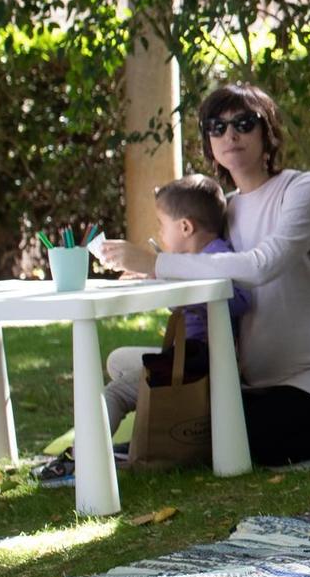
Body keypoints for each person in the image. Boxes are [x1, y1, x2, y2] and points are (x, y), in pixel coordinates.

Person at [98, 85, 310, 465]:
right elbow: (210, 271)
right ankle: (137, 444)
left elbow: (261, 265)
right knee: (128, 366)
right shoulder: (226, 210)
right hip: (257, 381)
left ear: (266, 131)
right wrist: (152, 278)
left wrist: (156, 264)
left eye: (243, 123)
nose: (230, 135)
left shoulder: (303, 190)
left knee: (237, 439)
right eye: (216, 127)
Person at [99, 174, 253, 437]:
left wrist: (179, 287)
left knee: (113, 395)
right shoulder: (193, 258)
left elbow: (238, 299)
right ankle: (162, 428)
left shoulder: (217, 257)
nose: (159, 233)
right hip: (185, 353)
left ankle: (80, 461)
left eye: (162, 225)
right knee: (118, 360)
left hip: (202, 362)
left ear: (185, 227)